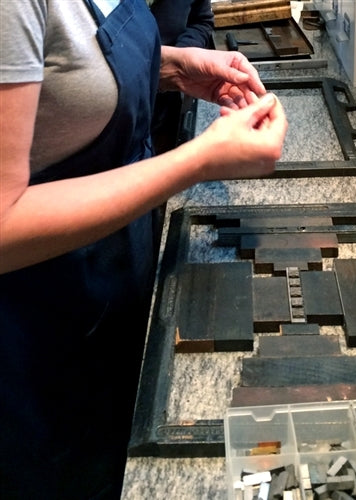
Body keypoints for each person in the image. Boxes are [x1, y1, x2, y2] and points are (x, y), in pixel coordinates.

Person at [0, 0, 287, 498]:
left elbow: (61, 75)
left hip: (114, 276)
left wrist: (173, 68)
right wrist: (198, 159)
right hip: (40, 323)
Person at [149, 0, 215, 153]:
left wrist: (182, 55)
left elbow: (201, 21)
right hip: (110, 115)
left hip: (166, 102)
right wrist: (158, 68)